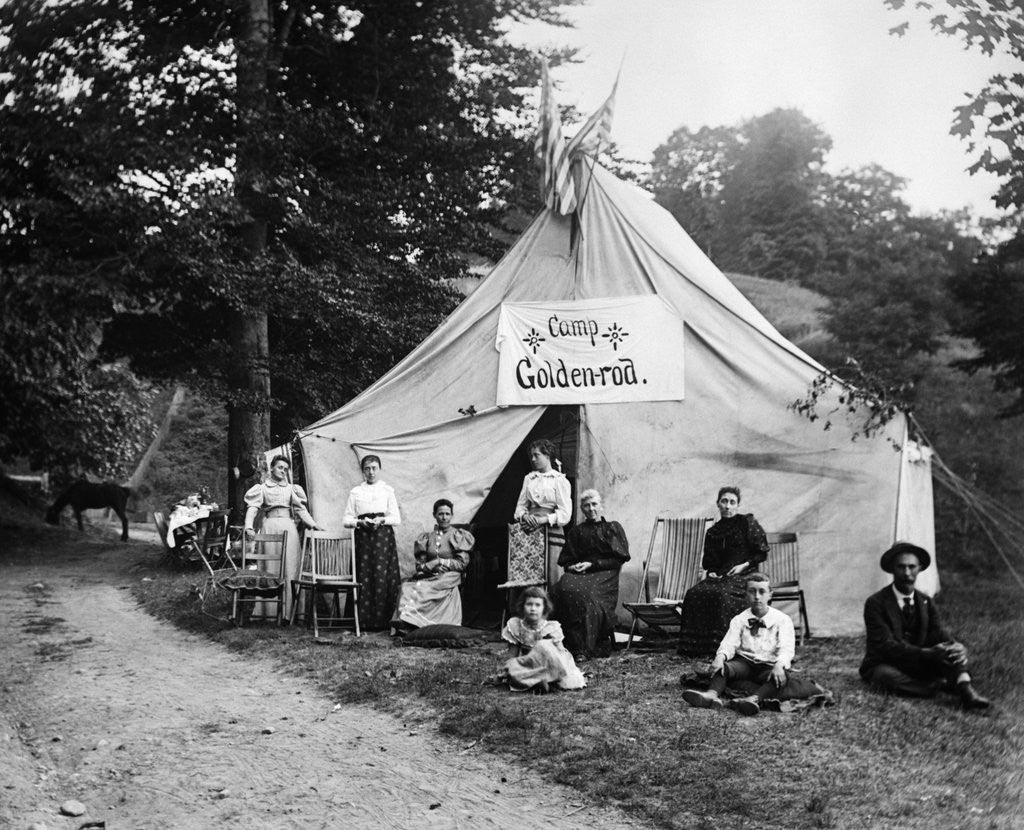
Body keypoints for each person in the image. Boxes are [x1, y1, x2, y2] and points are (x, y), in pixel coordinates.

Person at [860, 542, 989, 709]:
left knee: (953, 652)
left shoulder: (926, 601)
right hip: (886, 662)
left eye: (912, 567)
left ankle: (965, 689)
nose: (907, 573)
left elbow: (937, 631)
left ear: (919, 568)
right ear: (892, 569)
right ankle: (937, 686)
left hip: (917, 662)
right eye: (901, 567)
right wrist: (925, 653)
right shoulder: (876, 603)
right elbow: (884, 645)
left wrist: (955, 646)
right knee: (885, 677)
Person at [682, 572, 818, 716]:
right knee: (724, 668)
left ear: (770, 594)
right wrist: (720, 657)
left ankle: (753, 699)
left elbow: (787, 648)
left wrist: (779, 665)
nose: (757, 597)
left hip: (768, 665)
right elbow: (729, 643)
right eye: (752, 592)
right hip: (744, 664)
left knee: (780, 677)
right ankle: (711, 694)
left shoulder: (782, 620)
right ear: (745, 594)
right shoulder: (740, 619)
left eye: (762, 592)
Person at [677, 486, 770, 657]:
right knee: (693, 593)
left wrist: (744, 565)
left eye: (732, 502)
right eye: (724, 501)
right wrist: (712, 571)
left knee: (722, 595)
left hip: (745, 575)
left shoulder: (747, 523)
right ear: (718, 504)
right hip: (721, 577)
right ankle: (696, 647)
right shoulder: (713, 532)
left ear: (737, 506)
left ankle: (722, 646)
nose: (728, 506)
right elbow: (710, 563)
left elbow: (761, 552)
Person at [552, 489, 629, 661]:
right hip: (581, 574)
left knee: (586, 597)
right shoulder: (577, 531)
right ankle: (559, 643)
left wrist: (593, 564)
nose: (591, 508)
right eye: (586, 505)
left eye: (594, 504)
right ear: (582, 509)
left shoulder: (611, 528)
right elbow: (566, 561)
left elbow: (618, 560)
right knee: (560, 589)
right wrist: (574, 566)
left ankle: (583, 648)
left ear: (601, 506)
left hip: (604, 573)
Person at [243, 455, 323, 621]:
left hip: (289, 528)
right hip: (270, 527)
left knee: (290, 568)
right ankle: (269, 613)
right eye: (280, 467)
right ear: (271, 468)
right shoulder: (262, 488)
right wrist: (249, 526)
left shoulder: (291, 489)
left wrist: (313, 525)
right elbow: (252, 508)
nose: (283, 471)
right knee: (270, 568)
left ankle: (291, 613)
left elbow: (301, 510)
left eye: (286, 469)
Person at [391, 499, 475, 630]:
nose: (444, 517)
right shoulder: (427, 537)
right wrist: (430, 567)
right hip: (430, 575)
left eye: (447, 514)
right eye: (441, 514)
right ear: (434, 515)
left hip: (450, 576)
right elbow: (420, 565)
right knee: (406, 586)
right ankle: (407, 621)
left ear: (452, 515)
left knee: (424, 588)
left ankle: (415, 620)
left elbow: (461, 564)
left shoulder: (457, 535)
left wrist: (440, 561)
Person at [343, 455, 401, 631]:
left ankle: (386, 622)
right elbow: (346, 519)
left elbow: (396, 518)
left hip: (383, 538)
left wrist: (381, 521)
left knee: (383, 576)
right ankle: (363, 621)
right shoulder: (356, 492)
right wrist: (360, 523)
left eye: (374, 468)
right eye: (367, 468)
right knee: (363, 575)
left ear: (379, 469)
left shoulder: (387, 490)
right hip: (364, 539)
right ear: (363, 471)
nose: (371, 472)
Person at [502, 586, 586, 693]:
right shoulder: (516, 626)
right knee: (511, 667)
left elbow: (561, 655)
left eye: (537, 605)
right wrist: (509, 669)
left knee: (543, 645)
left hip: (551, 665)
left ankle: (545, 681)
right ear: (522, 606)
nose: (533, 608)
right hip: (530, 666)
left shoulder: (551, 628)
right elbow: (512, 656)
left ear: (544, 608)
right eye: (529, 604)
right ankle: (540, 682)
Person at [513, 439, 571, 586]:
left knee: (551, 575)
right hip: (529, 530)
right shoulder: (529, 479)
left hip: (551, 531)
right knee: (529, 574)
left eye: (536, 455)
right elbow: (519, 509)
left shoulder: (559, 480)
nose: (533, 459)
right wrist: (525, 516)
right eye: (531, 456)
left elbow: (565, 514)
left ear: (547, 455)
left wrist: (542, 520)